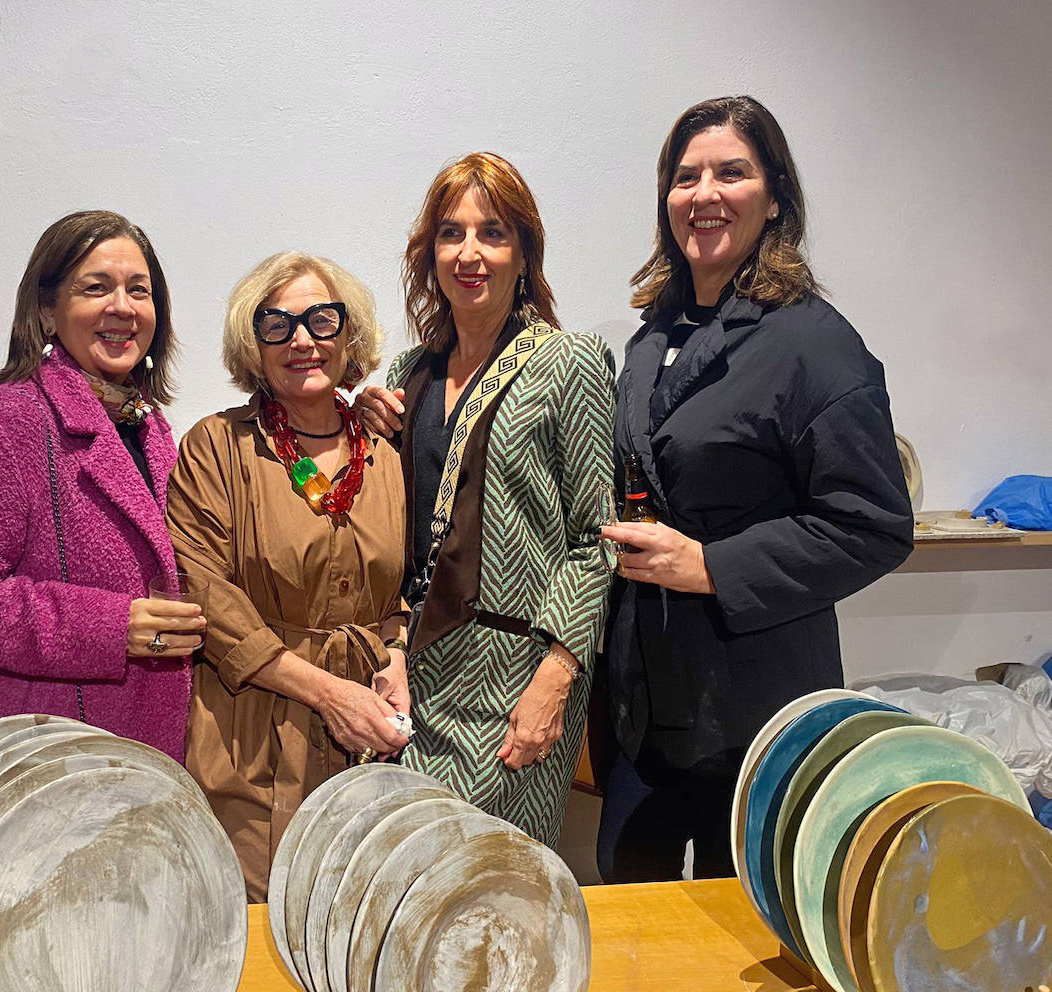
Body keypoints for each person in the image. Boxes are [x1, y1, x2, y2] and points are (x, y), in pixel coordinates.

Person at [595, 96, 913, 883]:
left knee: (747, 921)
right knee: (631, 893)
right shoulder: (651, 338)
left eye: (731, 173)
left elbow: (873, 525)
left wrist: (713, 567)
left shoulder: (816, 344)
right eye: (685, 176)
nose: (703, 194)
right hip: (647, 702)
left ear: (774, 198)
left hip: (754, 705)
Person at [356, 152, 617, 848]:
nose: (470, 253)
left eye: (493, 232)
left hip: (513, 683)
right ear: (429, 253)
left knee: (487, 888)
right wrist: (360, 430)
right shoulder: (407, 373)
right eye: (451, 233)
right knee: (403, 880)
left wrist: (556, 679)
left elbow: (596, 540)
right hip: (410, 674)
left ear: (523, 253)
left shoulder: (568, 362)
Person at [0, 210, 204, 761]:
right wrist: (111, 627)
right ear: (46, 312)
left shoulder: (150, 426)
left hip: (128, 752)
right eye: (96, 288)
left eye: (140, 290)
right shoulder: (3, 426)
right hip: (34, 766)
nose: (123, 307)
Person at [166, 252, 411, 901]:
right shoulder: (214, 448)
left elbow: (414, 586)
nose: (302, 340)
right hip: (253, 750)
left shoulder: (390, 455)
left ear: (349, 334)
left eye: (320, 320)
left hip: (372, 748)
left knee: (358, 932)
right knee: (256, 937)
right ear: (254, 343)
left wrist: (401, 655)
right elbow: (206, 597)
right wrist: (331, 695)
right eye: (278, 324)